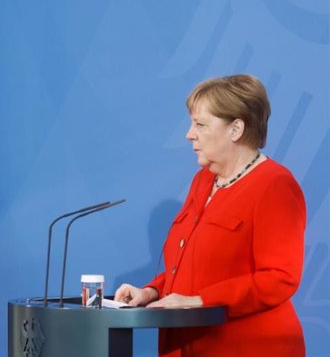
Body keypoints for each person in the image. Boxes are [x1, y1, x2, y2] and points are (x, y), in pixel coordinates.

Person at [114, 74, 306, 356]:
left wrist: (200, 300)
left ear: (236, 129)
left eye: (200, 124)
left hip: (247, 348)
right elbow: (191, 268)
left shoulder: (274, 185)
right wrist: (151, 292)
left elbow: (279, 277)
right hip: (188, 345)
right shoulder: (203, 181)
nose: (189, 134)